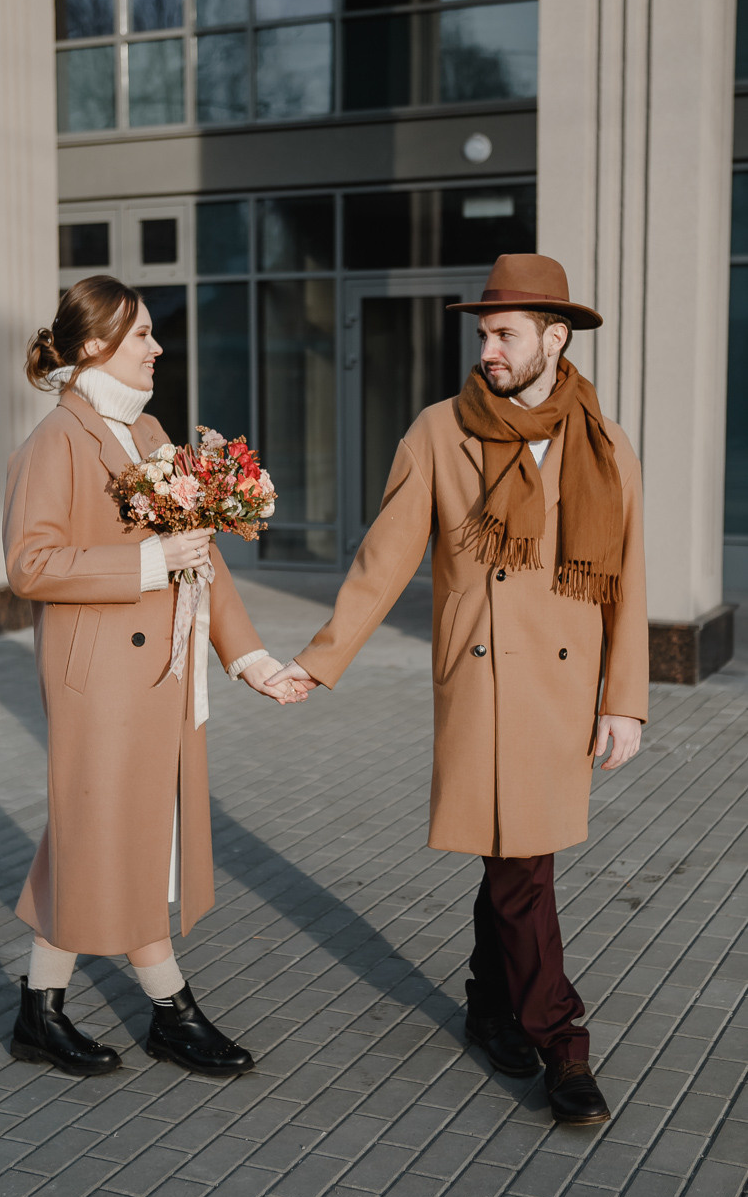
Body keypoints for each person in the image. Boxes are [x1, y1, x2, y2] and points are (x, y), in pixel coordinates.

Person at [268, 254, 648, 1125]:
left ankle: (487, 1005)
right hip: (481, 683)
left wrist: (622, 698)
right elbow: (385, 556)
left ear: (554, 338)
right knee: (522, 865)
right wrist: (320, 659)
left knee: (514, 854)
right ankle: (562, 1041)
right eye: (483, 334)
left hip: (560, 690)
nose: (488, 349)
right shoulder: (440, 431)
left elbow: (626, 575)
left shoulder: (604, 441)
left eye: (505, 334)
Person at [3, 275, 292, 1078]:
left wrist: (250, 657)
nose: (158, 347)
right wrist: (144, 560)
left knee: (110, 832)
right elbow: (30, 564)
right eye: (142, 337)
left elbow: (201, 554)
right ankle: (169, 1009)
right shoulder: (56, 440)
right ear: (95, 345)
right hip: (98, 679)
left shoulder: (151, 428)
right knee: (113, 832)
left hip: (160, 674)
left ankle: (43, 1010)